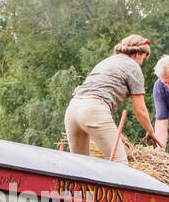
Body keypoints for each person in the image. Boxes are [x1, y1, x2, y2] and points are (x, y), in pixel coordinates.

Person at [66, 35, 161, 164]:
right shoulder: (133, 67)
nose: (141, 63)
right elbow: (140, 110)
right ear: (139, 54)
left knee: (79, 167)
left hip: (73, 109)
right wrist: (150, 131)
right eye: (143, 59)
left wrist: (115, 133)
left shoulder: (106, 62)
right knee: (120, 166)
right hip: (93, 109)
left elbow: (98, 98)